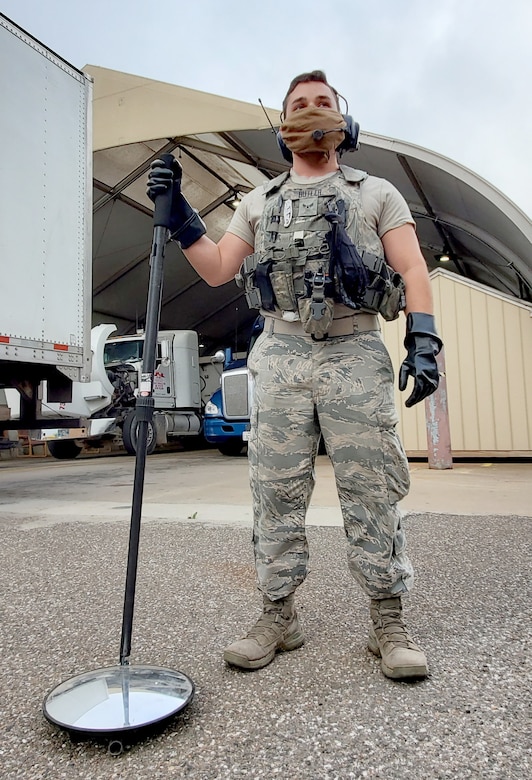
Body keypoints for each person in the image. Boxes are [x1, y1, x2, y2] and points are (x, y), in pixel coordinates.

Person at [147, 70, 442, 681]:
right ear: (283, 128)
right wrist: (181, 218)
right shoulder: (258, 202)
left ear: (343, 121)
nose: (311, 112)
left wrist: (423, 338)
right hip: (280, 354)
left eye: (323, 103)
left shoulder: (376, 193)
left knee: (372, 486)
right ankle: (278, 614)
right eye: (298, 105)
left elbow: (413, 268)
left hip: (355, 348)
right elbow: (216, 268)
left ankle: (388, 619)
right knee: (275, 487)